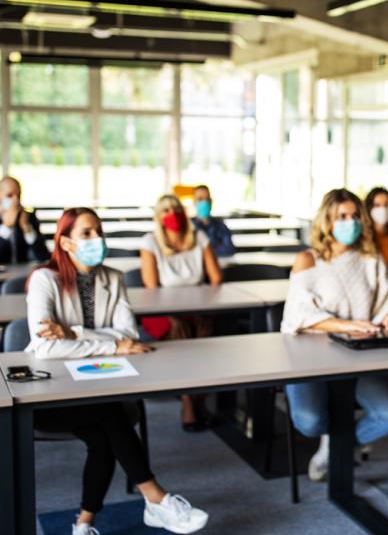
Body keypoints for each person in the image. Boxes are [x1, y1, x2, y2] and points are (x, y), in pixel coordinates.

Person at [26, 208, 208, 535]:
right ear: (65, 243)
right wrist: (109, 343)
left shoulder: (113, 277)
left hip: (98, 387)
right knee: (111, 416)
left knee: (104, 432)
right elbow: (45, 348)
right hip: (51, 395)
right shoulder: (44, 279)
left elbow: (130, 336)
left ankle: (84, 524)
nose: (98, 239)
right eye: (87, 234)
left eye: (99, 231)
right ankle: (154, 498)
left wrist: (73, 334)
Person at [281, 188, 388, 481]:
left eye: (354, 216)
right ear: (327, 221)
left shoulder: (370, 259)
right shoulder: (307, 260)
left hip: (355, 357)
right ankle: (329, 437)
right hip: (307, 358)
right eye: (341, 217)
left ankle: (335, 445)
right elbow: (296, 316)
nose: (349, 222)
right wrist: (345, 325)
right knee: (309, 421)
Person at [140, 194, 223, 431]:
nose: (172, 213)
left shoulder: (198, 237)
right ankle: (190, 402)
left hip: (197, 306)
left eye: (175, 208)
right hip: (160, 310)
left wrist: (204, 306)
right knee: (184, 334)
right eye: (165, 210)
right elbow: (151, 287)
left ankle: (196, 399)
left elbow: (216, 278)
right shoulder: (150, 241)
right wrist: (173, 314)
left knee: (204, 335)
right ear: (158, 217)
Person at [0, 175, 48, 264]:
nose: (16, 200)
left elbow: (43, 256)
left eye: (18, 195)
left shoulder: (28, 217)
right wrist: (6, 227)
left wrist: (27, 229)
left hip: (22, 273)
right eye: (10, 195)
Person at [191, 185, 235, 258]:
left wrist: (203, 253)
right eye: (200, 199)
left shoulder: (220, 225)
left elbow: (229, 249)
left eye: (207, 199)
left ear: (211, 201)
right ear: (194, 202)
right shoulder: (188, 226)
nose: (204, 202)